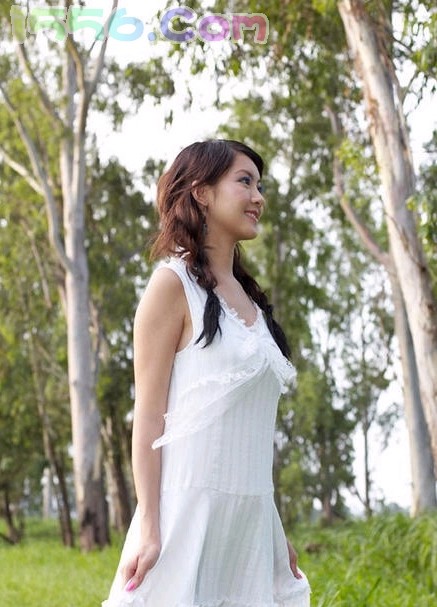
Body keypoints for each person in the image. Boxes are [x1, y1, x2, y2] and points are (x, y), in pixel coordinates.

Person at [102, 139, 311, 607]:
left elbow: (247, 434)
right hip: (186, 518)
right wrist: (150, 525)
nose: (258, 197)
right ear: (201, 192)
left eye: (260, 186)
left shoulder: (251, 299)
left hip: (248, 528)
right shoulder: (172, 285)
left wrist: (273, 530)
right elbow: (148, 418)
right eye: (245, 182)